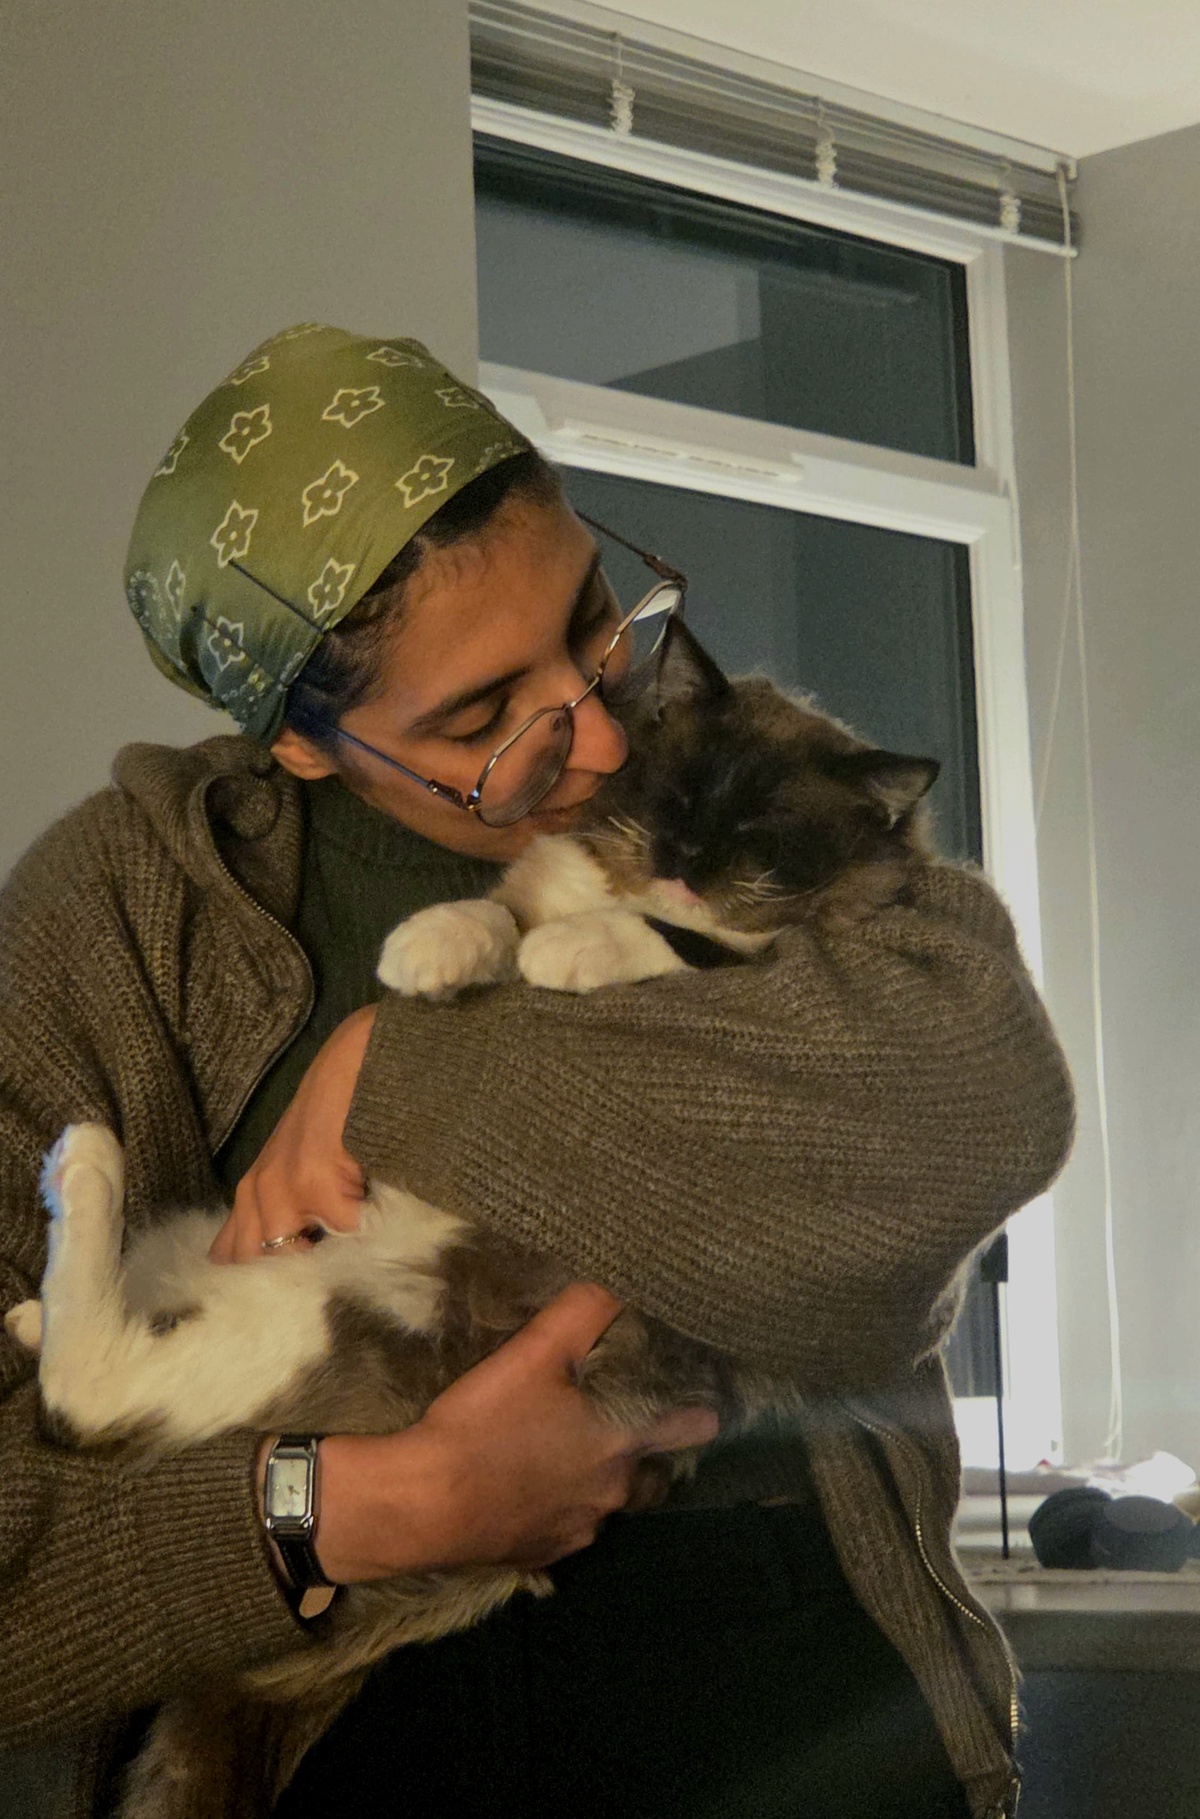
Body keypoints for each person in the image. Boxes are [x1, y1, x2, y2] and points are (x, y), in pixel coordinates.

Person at [0, 324, 1072, 1819]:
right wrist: (354, 1513)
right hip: (343, 1700)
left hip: (792, 1677)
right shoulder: (123, 914)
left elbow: (983, 1107)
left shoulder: (739, 770)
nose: (588, 728)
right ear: (304, 746)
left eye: (594, 619)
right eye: (480, 717)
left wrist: (398, 1071)